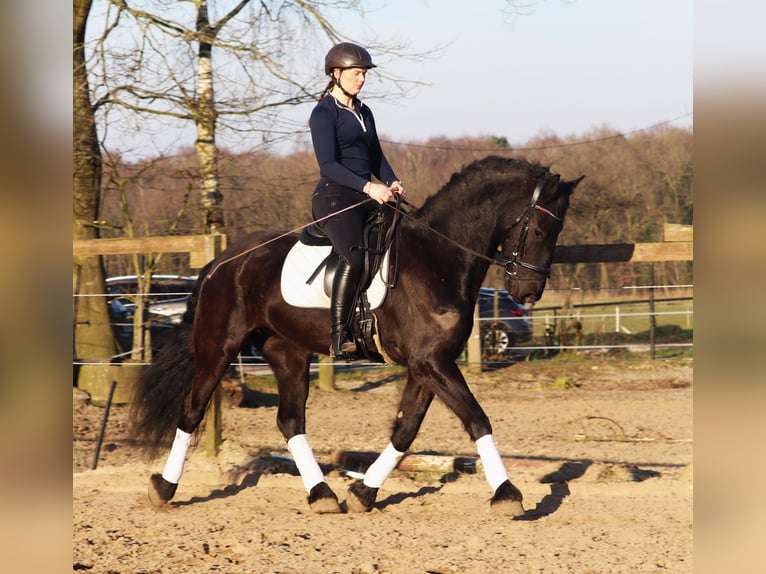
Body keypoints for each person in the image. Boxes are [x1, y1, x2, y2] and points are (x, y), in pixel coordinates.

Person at [310, 42, 406, 358]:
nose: (361, 79)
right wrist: (369, 188)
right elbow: (328, 165)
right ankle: (339, 335)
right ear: (336, 74)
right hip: (335, 197)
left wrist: (391, 181)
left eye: (364, 74)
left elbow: (376, 155)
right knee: (354, 257)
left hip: (368, 195)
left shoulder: (364, 111)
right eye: (356, 73)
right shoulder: (323, 112)